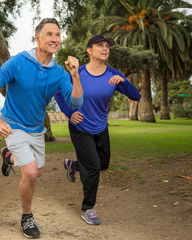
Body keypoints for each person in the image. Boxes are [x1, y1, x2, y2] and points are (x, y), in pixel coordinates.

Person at [0, 18, 83, 239]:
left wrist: (75, 76)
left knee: (38, 171)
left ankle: (9, 157)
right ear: (37, 38)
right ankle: (27, 217)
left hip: (37, 130)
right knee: (31, 172)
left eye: (57, 34)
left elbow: (76, 103)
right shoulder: (17, 62)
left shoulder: (58, 73)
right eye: (49, 34)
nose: (55, 38)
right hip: (13, 125)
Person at [54, 34, 141, 225]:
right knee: (93, 167)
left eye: (107, 46)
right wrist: (70, 113)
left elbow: (136, 96)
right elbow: (59, 93)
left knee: (102, 164)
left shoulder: (113, 74)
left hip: (101, 127)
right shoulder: (79, 72)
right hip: (80, 126)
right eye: (100, 45)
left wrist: (123, 82)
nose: (105, 48)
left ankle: (75, 165)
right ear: (89, 50)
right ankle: (88, 208)